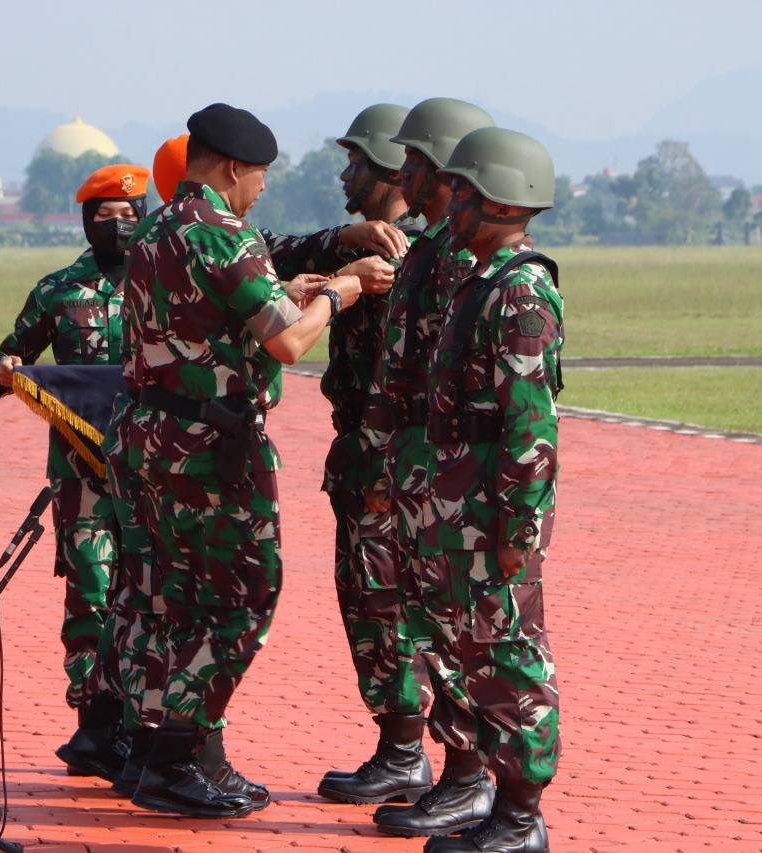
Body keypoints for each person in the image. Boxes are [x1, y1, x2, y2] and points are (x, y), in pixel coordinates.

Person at [124, 103, 365, 819]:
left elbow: (212, 311)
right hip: (213, 447)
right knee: (244, 597)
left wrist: (287, 291)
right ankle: (174, 758)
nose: (261, 189)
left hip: (152, 436)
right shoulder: (224, 232)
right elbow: (288, 344)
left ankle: (176, 753)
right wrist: (339, 292)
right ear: (233, 169)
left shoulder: (160, 227)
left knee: (179, 598)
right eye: (259, 176)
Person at [348, 98, 504, 839]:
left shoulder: (468, 262)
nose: (402, 173)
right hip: (412, 473)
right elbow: (397, 371)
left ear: (446, 171)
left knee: (458, 632)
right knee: (426, 628)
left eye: (415, 162)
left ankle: (471, 778)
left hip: (449, 479)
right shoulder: (430, 253)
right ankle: (450, 770)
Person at [420, 127, 563, 852]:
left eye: (466, 192)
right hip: (462, 503)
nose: (453, 203)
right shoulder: (481, 280)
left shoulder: (521, 290)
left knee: (510, 657)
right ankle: (501, 805)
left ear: (505, 200)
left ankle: (519, 814)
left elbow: (530, 424)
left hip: (490, 511)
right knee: (478, 652)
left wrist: (517, 528)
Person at [0, 163, 149, 779]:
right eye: (106, 215)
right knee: (90, 593)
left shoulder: (165, 286)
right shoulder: (57, 291)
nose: (120, 224)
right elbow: (6, 361)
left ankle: (144, 724)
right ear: (85, 220)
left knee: (149, 595)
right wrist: (6, 370)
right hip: (81, 477)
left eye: (131, 213)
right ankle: (94, 727)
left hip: (153, 471)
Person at [316, 103, 436, 805]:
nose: (344, 172)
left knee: (384, 602)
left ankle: (404, 749)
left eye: (355, 161)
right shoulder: (367, 249)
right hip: (361, 454)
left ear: (390, 169)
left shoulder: (411, 263)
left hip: (386, 465)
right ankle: (398, 745)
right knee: (364, 599)